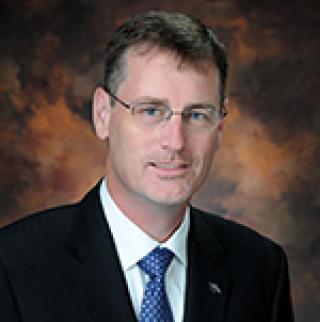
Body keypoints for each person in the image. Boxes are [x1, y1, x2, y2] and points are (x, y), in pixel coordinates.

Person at [0, 11, 294, 322]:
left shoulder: (261, 269)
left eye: (197, 115)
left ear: (220, 126)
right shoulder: (13, 266)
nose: (176, 142)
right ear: (103, 115)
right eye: (151, 110)